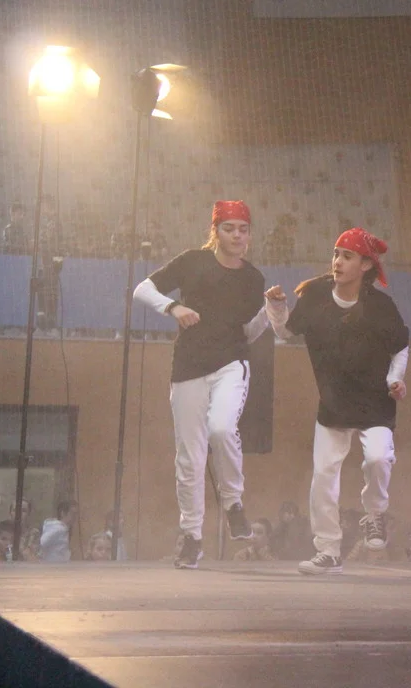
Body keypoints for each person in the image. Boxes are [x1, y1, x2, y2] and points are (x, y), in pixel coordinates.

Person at [133, 200, 270, 569]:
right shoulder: (192, 261)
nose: (237, 235)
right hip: (188, 367)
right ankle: (192, 537)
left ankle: (233, 502)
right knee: (189, 457)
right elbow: (142, 289)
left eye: (243, 229)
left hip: (231, 364)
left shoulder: (253, 278)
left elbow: (249, 332)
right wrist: (172, 307)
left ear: (249, 234)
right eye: (229, 228)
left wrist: (271, 313)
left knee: (222, 429)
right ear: (215, 231)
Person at [265, 227, 409, 576]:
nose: (337, 262)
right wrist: (277, 307)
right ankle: (328, 550)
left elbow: (400, 347)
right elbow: (285, 331)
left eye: (347, 256)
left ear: (365, 265)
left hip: (375, 403)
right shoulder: (315, 295)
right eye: (335, 254)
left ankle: (374, 514)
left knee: (378, 458)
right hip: (333, 404)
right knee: (324, 475)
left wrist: (395, 378)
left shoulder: (381, 306)